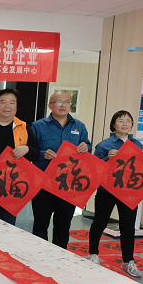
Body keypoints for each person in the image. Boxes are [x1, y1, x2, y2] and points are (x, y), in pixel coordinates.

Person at [87, 110, 143, 278]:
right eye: (121, 120)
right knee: (99, 222)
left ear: (132, 125)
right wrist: (107, 158)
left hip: (128, 192)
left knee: (128, 227)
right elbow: (95, 169)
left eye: (128, 121)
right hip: (106, 191)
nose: (125, 123)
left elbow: (140, 169)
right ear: (113, 124)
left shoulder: (137, 145)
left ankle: (127, 261)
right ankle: (93, 254)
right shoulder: (104, 145)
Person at [30, 91, 92, 249]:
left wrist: (86, 147)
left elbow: (88, 147)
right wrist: (43, 154)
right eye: (59, 102)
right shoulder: (37, 126)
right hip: (44, 184)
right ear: (50, 105)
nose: (63, 105)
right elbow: (30, 150)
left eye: (67, 102)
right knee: (40, 224)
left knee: (63, 225)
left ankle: (60, 256)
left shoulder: (79, 126)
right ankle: (38, 255)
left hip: (69, 185)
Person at [0, 88, 40, 225]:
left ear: (16, 107)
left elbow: (37, 153)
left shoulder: (23, 127)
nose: (7, 106)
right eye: (3, 102)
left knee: (5, 226)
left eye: (12, 102)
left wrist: (27, 149)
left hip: (8, 187)